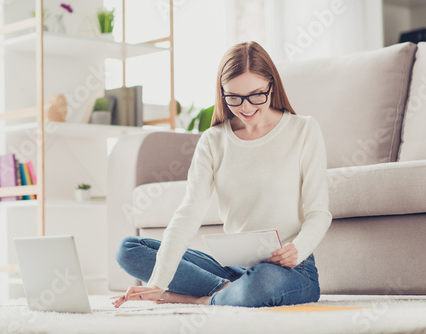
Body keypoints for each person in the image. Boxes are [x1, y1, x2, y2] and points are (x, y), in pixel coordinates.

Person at [113, 41, 332, 308]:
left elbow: (318, 213)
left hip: (289, 269)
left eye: (256, 95)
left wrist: (297, 249)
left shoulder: (304, 130)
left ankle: (201, 300)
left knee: (261, 281)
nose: (246, 107)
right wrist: (157, 282)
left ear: (271, 86)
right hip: (232, 268)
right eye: (234, 98)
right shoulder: (213, 140)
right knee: (129, 250)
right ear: (222, 93)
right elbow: (189, 213)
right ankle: (229, 292)